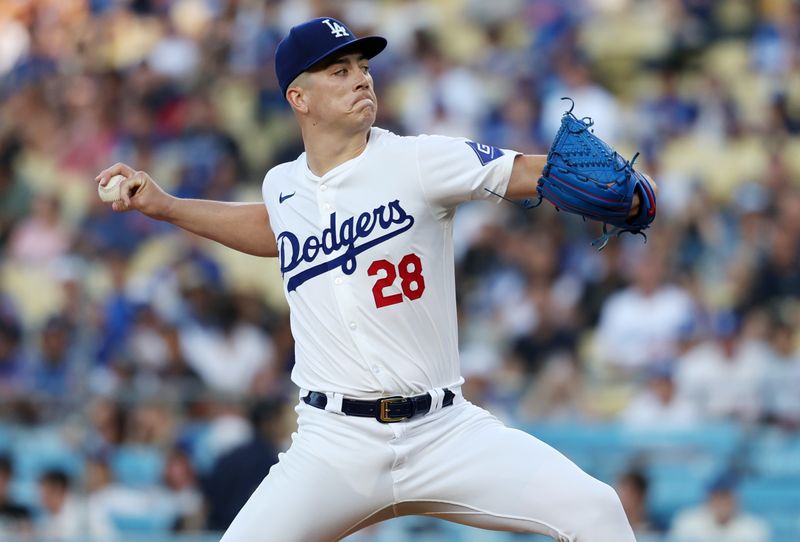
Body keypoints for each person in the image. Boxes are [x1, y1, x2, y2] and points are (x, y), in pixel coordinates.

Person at [97, 17, 655, 542]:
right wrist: (166, 207)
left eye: (363, 67)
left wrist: (613, 184)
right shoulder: (283, 185)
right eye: (339, 71)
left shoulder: (417, 159)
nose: (361, 78)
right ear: (299, 98)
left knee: (596, 511)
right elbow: (272, 227)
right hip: (334, 443)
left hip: (444, 432)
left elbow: (530, 171)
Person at [669, 473, 770, 542]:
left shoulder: (753, 527)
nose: (722, 503)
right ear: (708, 498)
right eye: (717, 497)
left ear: (737, 500)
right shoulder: (688, 521)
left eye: (726, 497)